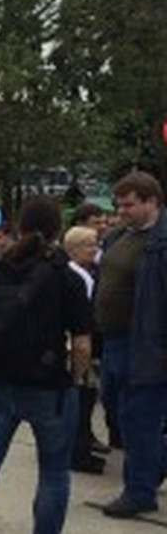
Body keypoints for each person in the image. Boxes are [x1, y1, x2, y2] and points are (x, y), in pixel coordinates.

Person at [0, 196, 92, 533]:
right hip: (48, 384)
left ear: (19, 227)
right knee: (54, 473)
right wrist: (75, 378)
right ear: (58, 229)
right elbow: (82, 343)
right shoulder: (66, 277)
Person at [96, 172, 167, 518]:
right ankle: (154, 463)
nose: (121, 210)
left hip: (145, 345)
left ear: (152, 201)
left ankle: (139, 491)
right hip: (113, 342)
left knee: (138, 418)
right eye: (119, 204)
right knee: (117, 411)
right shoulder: (118, 236)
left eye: (129, 204)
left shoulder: (161, 242)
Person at [63, 225, 105, 475]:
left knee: (85, 401)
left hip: (85, 344)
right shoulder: (79, 277)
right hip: (82, 347)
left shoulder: (82, 273)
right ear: (74, 249)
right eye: (90, 245)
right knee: (82, 399)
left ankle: (81, 446)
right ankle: (78, 452)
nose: (95, 250)